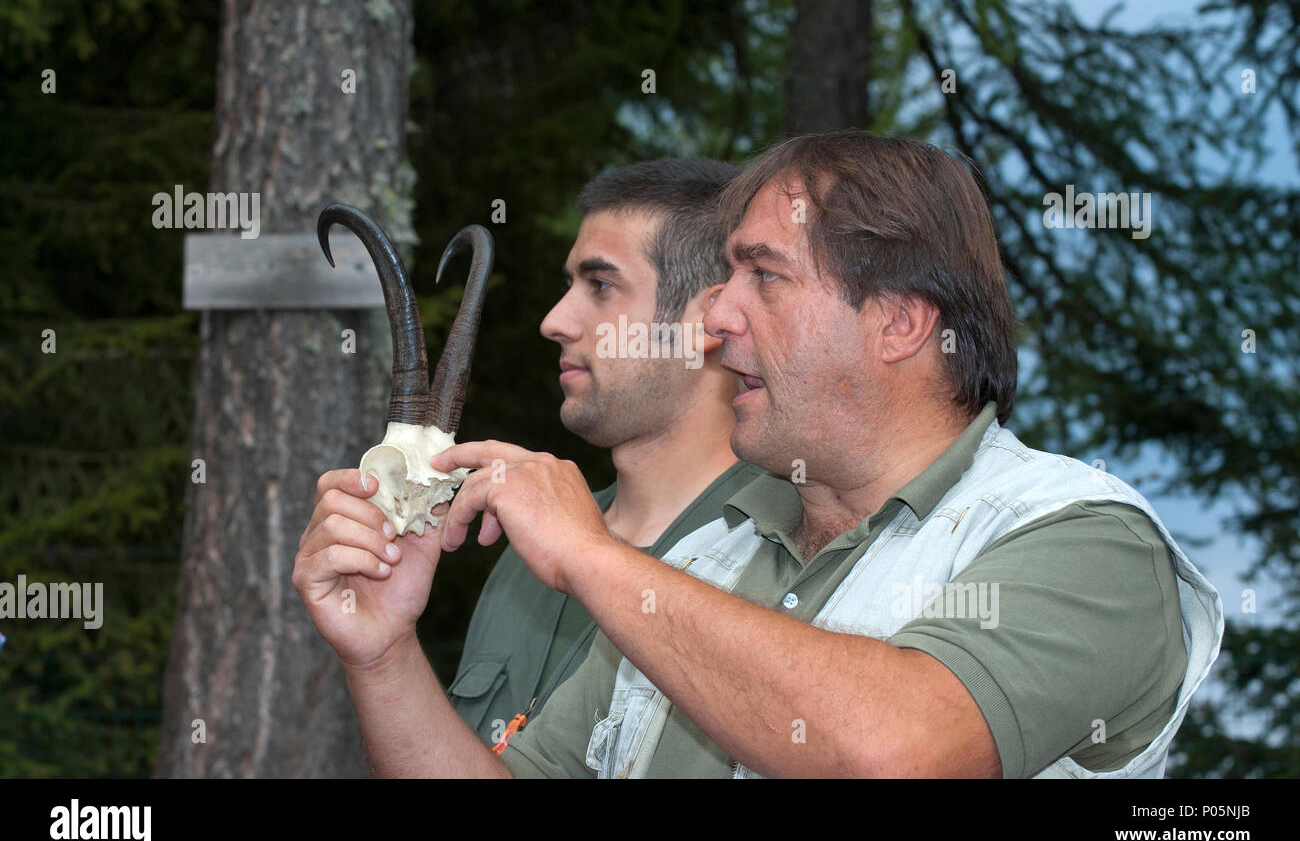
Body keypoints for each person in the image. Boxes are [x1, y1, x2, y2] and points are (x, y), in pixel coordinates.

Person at [294, 131, 1223, 778]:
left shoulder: (1084, 541)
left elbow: (895, 751)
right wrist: (383, 656)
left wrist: (592, 555)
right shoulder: (706, 564)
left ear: (899, 323)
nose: (717, 318)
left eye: (764, 278)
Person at [446, 159, 766, 745]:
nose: (554, 321)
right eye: (568, 286)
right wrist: (382, 652)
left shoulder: (778, 563)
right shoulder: (524, 550)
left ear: (708, 318)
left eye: (601, 286)